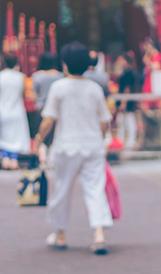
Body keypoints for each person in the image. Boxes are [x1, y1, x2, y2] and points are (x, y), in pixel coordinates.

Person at [34, 41, 113, 255]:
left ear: (65, 64)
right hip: (93, 145)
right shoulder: (95, 89)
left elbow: (49, 119)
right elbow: (105, 120)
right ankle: (99, 235)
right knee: (95, 190)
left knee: (62, 190)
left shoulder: (59, 87)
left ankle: (60, 235)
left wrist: (39, 140)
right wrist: (103, 136)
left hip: (66, 146)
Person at [0, 52, 31, 170]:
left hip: (2, 109)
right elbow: (24, 94)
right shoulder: (21, 76)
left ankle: (5, 159)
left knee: (3, 136)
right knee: (16, 136)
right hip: (17, 109)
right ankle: (14, 160)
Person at [30, 52, 63, 141]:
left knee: (41, 135)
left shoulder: (37, 76)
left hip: (41, 108)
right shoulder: (59, 76)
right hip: (56, 109)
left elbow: (34, 95)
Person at [115, 51, 138, 150]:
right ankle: (124, 141)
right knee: (124, 122)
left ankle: (130, 141)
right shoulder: (128, 72)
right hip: (126, 101)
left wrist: (123, 102)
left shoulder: (128, 73)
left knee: (128, 121)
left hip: (127, 101)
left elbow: (127, 88)